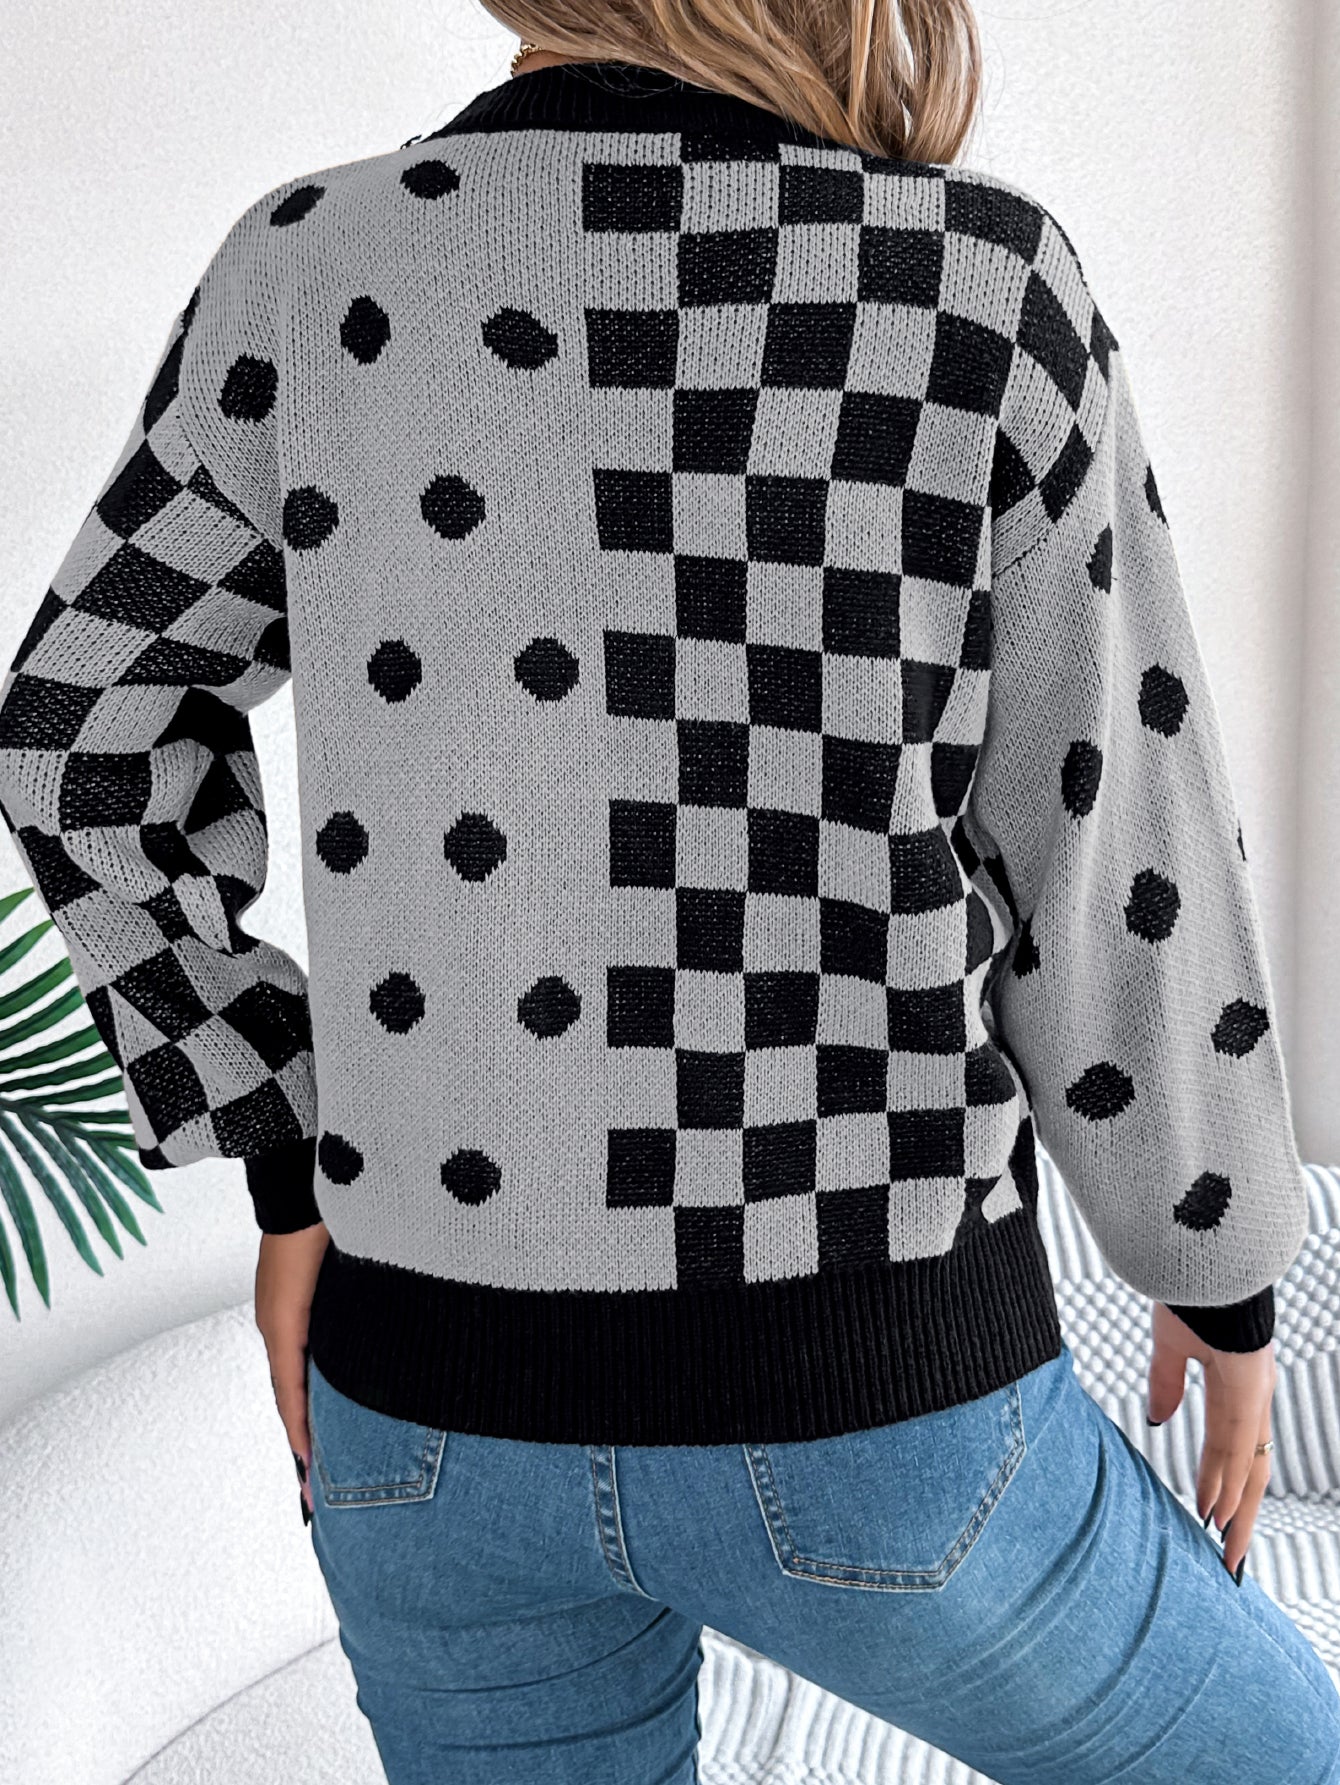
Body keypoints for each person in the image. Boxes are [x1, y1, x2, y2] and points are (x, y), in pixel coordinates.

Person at [2, 3, 1337, 1780]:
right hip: (877, 1394)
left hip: (426, 1420)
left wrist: (283, 1142)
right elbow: (1114, 838)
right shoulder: (978, 289)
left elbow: (77, 734)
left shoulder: (307, 271)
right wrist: (1219, 1270)